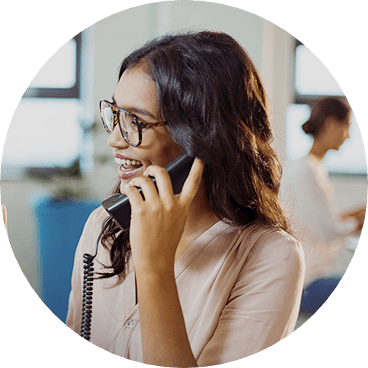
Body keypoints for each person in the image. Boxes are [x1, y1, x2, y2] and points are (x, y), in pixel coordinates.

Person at [66, 31, 304, 366]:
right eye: (116, 115)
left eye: (136, 120)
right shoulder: (104, 228)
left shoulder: (271, 256)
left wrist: (154, 266)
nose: (115, 140)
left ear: (201, 136)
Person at [281, 98, 365, 288]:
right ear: (331, 124)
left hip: (312, 271)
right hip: (309, 279)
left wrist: (357, 214)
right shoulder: (305, 170)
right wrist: (359, 220)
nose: (348, 137)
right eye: (347, 127)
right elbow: (329, 231)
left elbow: (323, 219)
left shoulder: (311, 166)